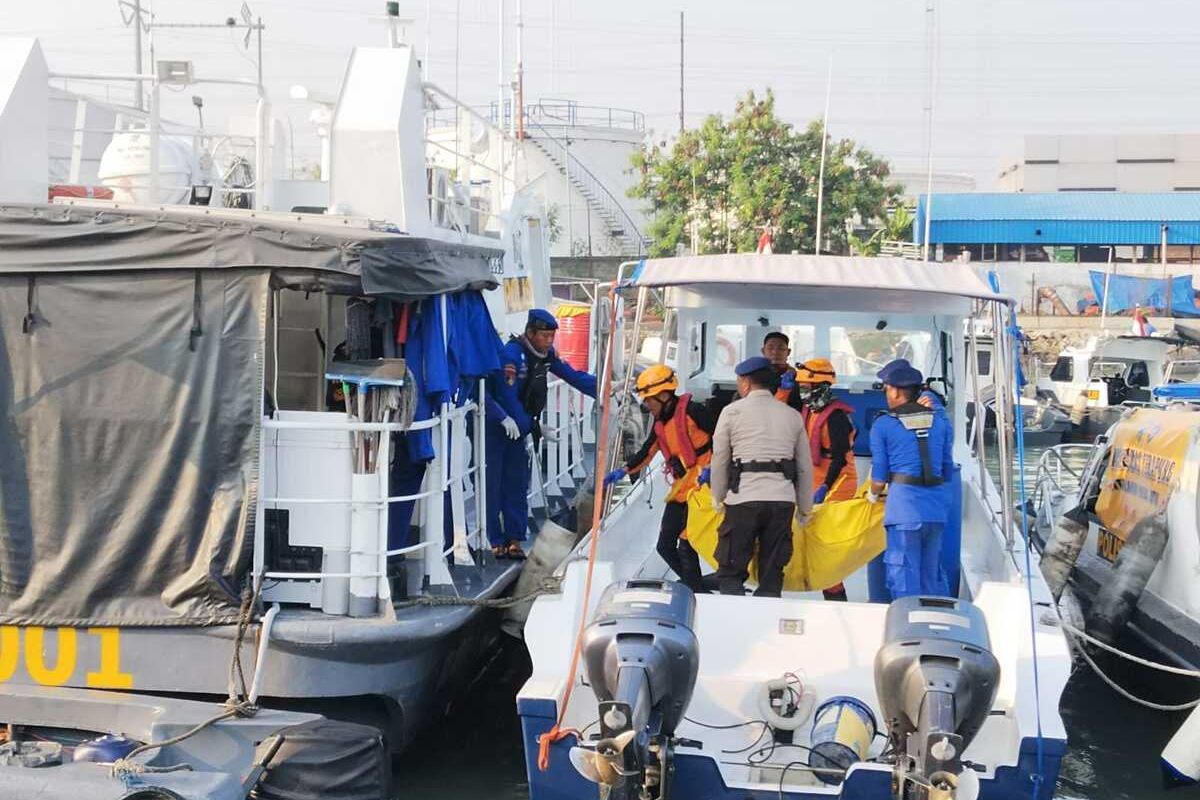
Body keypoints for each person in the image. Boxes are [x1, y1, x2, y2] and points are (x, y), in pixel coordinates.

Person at [485, 309, 597, 560]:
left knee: (517, 481)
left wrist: (602, 389)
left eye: (551, 336)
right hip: (497, 425)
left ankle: (514, 538)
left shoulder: (544, 355)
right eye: (544, 336)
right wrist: (533, 427)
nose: (549, 341)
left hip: (519, 426)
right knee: (493, 483)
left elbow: (572, 376)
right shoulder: (512, 356)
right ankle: (495, 539)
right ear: (530, 333)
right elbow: (507, 397)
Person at [604, 365, 715, 593]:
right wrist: (624, 471)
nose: (646, 406)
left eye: (649, 400)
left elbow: (724, 438)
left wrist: (715, 469)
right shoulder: (661, 424)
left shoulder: (694, 412)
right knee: (664, 546)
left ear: (664, 396)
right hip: (682, 487)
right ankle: (696, 585)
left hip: (703, 487)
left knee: (686, 543)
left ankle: (696, 589)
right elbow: (647, 451)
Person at [709, 356, 813, 597]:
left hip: (743, 499)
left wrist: (718, 495)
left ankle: (735, 622)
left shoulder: (731, 412)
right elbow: (804, 468)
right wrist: (805, 508)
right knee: (771, 574)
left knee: (731, 571)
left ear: (745, 383)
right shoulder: (792, 416)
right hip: (782, 502)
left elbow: (720, 459)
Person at [867, 359, 953, 599]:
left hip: (904, 511)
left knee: (902, 574)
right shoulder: (940, 422)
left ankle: (908, 626)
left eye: (886, 389)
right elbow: (947, 468)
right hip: (936, 511)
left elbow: (880, 475)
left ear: (894, 390)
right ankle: (935, 624)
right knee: (931, 574)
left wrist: (872, 496)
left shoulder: (883, 424)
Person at [793, 358, 858, 601]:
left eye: (806, 389)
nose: (803, 393)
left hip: (838, 481)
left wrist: (824, 489)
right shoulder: (810, 410)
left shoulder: (835, 417)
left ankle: (835, 595)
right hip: (816, 479)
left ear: (821, 387)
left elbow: (840, 459)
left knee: (826, 540)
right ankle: (828, 588)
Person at [761, 331, 802, 409]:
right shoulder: (755, 377)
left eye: (781, 348)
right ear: (763, 351)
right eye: (770, 348)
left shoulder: (798, 378)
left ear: (788, 352)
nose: (775, 352)